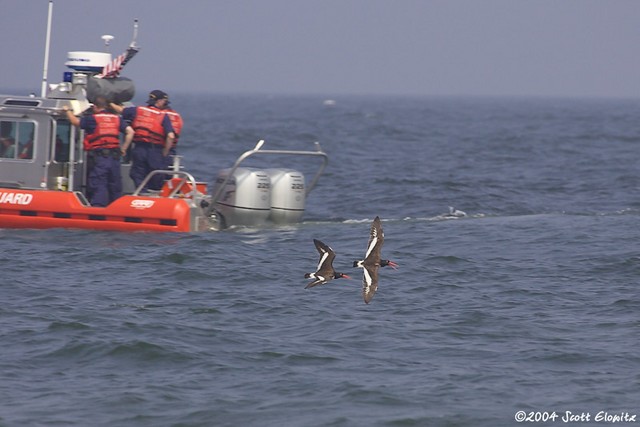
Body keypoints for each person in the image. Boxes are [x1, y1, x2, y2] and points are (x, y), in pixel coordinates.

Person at [63, 97, 132, 206]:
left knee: (99, 184)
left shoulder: (92, 119)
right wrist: (124, 149)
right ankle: (116, 208)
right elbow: (130, 132)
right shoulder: (116, 119)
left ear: (95, 107)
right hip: (114, 158)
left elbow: (75, 122)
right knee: (115, 185)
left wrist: (67, 111)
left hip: (100, 159)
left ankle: (98, 209)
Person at [116, 90, 175, 191]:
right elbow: (171, 136)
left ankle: (142, 193)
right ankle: (153, 196)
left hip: (140, 148)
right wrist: (165, 151)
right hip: (155, 150)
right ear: (160, 101)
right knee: (156, 175)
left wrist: (109, 103)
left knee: (137, 174)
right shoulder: (163, 116)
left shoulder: (138, 110)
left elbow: (122, 111)